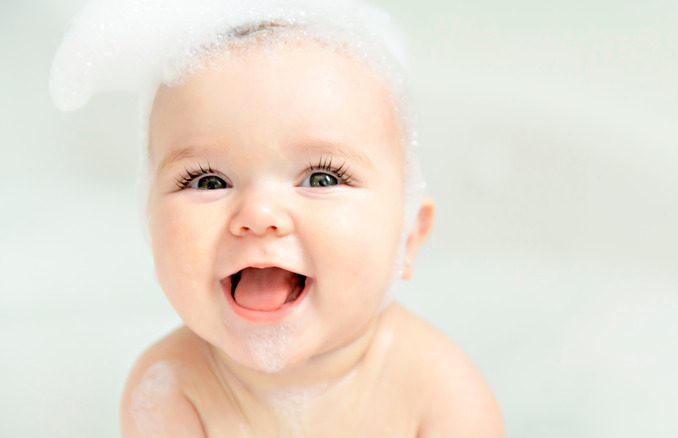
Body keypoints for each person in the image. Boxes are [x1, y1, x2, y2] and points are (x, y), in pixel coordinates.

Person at [51, 1, 504, 436]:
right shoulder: (170, 390)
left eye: (322, 179)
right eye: (208, 181)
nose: (258, 214)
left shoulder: (441, 396)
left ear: (408, 236)